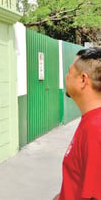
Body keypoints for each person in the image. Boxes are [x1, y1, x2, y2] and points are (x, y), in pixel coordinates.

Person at [53, 47, 101, 200]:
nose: (66, 77)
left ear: (82, 80)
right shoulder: (90, 121)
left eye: (69, 72)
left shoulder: (95, 128)